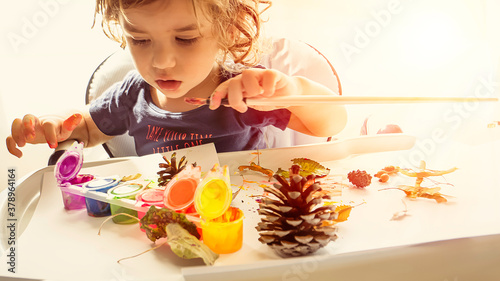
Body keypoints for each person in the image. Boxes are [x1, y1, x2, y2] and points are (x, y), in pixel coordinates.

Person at [6, 0, 347, 158]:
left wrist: (290, 90)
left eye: (186, 39)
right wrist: (53, 124)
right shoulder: (133, 94)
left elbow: (330, 123)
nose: (161, 62)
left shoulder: (241, 92)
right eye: (139, 40)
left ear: (227, 31)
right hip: (160, 225)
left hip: (238, 221)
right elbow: (88, 128)